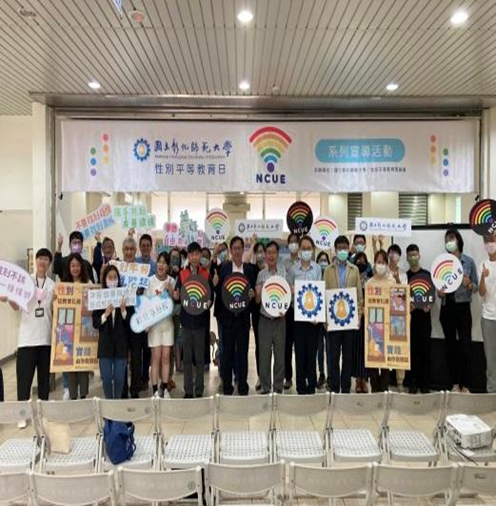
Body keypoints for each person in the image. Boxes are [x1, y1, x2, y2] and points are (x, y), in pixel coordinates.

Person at [1, 248, 54, 428]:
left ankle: (43, 413)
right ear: (35, 261)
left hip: (45, 338)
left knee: (44, 381)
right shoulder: (25, 281)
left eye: (46, 259)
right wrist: (8, 298)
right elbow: (16, 307)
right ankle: (22, 415)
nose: (42, 261)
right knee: (24, 380)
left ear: (49, 263)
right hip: (27, 339)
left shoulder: (53, 285)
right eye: (40, 258)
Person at [439, 228, 478, 393]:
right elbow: (439, 289)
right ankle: (454, 383)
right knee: (450, 347)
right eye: (447, 239)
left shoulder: (468, 262)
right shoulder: (442, 263)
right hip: (448, 307)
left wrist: (468, 284)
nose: (449, 241)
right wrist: (439, 293)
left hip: (463, 308)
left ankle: (466, 384)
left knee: (465, 347)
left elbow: (475, 287)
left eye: (452, 238)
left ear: (458, 241)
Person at [217, 236, 256, 396]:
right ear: (231, 251)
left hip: (243, 319)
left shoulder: (250, 270)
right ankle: (227, 386)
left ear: (243, 250)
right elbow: (219, 292)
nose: (237, 251)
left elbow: (252, 292)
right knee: (226, 353)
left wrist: (252, 294)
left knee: (242, 353)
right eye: (234, 248)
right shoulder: (225, 268)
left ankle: (243, 386)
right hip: (227, 319)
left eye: (240, 248)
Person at [174, 242, 213, 398]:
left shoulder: (206, 273)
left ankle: (199, 389)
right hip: (186, 321)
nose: (195, 257)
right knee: (187, 357)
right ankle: (188, 390)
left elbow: (211, 296)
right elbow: (178, 295)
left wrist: (210, 302)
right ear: (188, 257)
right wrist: (175, 296)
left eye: (197, 254)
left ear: (200, 256)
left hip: (201, 321)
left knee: (199, 358)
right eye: (192, 254)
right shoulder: (182, 274)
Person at [324, 235, 363, 393]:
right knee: (333, 358)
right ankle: (334, 388)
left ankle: (346, 388)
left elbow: (359, 298)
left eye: (344, 248)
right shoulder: (327, 270)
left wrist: (358, 318)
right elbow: (324, 295)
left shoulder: (354, 270)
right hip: (332, 322)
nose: (342, 251)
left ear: (348, 249)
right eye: (339, 248)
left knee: (347, 358)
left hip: (349, 321)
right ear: (335, 249)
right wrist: (325, 319)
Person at [287, 236, 322, 395]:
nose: (306, 251)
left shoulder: (317, 269)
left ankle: (311, 385)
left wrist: (319, 315)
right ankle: (301, 385)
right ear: (299, 250)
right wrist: (292, 290)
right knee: (300, 352)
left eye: (309, 248)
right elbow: (287, 292)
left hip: (314, 319)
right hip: (298, 318)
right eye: (304, 248)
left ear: (312, 250)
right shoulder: (293, 270)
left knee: (311, 352)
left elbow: (319, 292)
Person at [92, 265, 129, 399]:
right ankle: (108, 404)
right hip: (105, 346)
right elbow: (95, 323)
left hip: (121, 345)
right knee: (106, 379)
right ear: (105, 279)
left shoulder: (124, 296)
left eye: (115, 278)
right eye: (110, 277)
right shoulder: (99, 297)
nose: (113, 280)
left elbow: (130, 323)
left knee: (119, 378)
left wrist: (124, 311)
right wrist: (105, 315)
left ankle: (117, 403)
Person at [255, 241, 288, 394]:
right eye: (268, 253)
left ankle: (278, 388)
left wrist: (286, 307)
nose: (271, 255)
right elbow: (256, 301)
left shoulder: (284, 273)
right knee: (264, 356)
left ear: (277, 254)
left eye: (274, 252)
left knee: (280, 356)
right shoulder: (261, 274)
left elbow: (288, 297)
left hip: (280, 320)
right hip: (265, 320)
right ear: (265, 255)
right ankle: (266, 387)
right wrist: (258, 292)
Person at [61, 253, 91, 400]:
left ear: (82, 267)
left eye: (78, 265)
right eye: (72, 265)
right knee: (70, 362)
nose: (75, 268)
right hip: (68, 329)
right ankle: (72, 394)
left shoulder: (88, 283)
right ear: (69, 267)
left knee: (82, 363)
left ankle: (83, 394)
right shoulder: (63, 284)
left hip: (84, 327)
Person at [145, 252, 175, 398]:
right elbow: (144, 304)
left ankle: (165, 388)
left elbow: (175, 302)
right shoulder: (150, 281)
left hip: (167, 324)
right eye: (159, 262)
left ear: (168, 266)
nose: (161, 265)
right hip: (154, 325)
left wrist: (171, 291)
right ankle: (155, 390)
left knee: (166, 357)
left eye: (164, 262)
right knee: (155, 358)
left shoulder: (171, 281)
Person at [120, 237, 147, 399]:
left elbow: (146, 291)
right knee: (123, 355)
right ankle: (123, 389)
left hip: (137, 315)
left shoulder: (141, 270)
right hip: (121, 315)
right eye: (126, 249)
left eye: (131, 249)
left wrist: (139, 291)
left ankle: (135, 388)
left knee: (137, 354)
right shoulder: (116, 268)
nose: (129, 252)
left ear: (135, 251)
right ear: (123, 250)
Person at [367, 250, 395, 392]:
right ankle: (374, 388)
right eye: (378, 262)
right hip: (372, 327)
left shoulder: (392, 281)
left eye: (383, 262)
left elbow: (397, 302)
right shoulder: (369, 282)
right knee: (373, 359)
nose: (381, 265)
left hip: (388, 326)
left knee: (386, 361)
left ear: (387, 264)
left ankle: (384, 388)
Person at [406, 244, 432, 394]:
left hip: (425, 320)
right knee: (413, 352)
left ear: (419, 255)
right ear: (407, 258)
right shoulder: (406, 276)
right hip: (410, 320)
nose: (413, 258)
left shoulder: (427, 274)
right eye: (410, 255)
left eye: (415, 254)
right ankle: (413, 382)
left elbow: (430, 296)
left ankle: (425, 384)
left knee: (425, 351)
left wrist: (426, 303)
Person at [136, 233, 156, 391]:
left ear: (151, 247)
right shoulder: (134, 264)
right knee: (137, 347)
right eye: (142, 245)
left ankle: (144, 376)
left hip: (150, 311)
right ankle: (137, 377)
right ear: (139, 247)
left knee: (147, 347)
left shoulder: (155, 265)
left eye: (147, 246)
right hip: (135, 311)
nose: (145, 248)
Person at [387, 244, 408, 392]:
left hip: (399, 317)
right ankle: (385, 380)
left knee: (399, 348)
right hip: (384, 315)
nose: (394, 255)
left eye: (396, 253)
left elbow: (404, 293)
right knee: (384, 348)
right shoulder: (382, 270)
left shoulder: (404, 274)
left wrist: (397, 279)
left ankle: (400, 382)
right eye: (391, 253)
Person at [352, 251, 372, 393]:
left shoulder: (370, 277)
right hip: (354, 318)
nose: (360, 262)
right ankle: (357, 381)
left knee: (366, 350)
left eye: (363, 260)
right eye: (358, 260)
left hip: (368, 319)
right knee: (356, 350)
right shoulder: (352, 276)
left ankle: (364, 380)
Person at [479, 233, 496, 393]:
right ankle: (492, 393)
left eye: (492, 239)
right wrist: (483, 277)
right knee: (490, 359)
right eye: (486, 241)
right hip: (488, 317)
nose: (489, 243)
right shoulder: (483, 264)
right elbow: (481, 293)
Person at [282, 232, 300, 390]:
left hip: (302, 308)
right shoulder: (284, 263)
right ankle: (288, 377)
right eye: (291, 242)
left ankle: (302, 375)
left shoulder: (306, 262)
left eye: (296, 241)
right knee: (287, 345)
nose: (293, 244)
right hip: (288, 309)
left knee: (300, 345)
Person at [211, 242, 230, 386]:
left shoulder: (234, 266)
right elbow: (212, 283)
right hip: (221, 313)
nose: (223, 252)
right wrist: (214, 254)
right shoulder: (217, 268)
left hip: (235, 312)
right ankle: (224, 377)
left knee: (234, 346)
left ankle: (234, 374)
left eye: (225, 250)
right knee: (223, 345)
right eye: (220, 250)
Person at [251, 241, 266, 390]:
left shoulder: (271, 270)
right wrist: (253, 244)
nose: (261, 254)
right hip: (257, 313)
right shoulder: (253, 270)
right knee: (260, 346)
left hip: (274, 314)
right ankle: (261, 376)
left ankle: (270, 376)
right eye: (258, 252)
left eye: (263, 251)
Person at [168, 247, 182, 388]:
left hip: (176, 314)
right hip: (163, 315)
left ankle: (169, 377)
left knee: (172, 346)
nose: (174, 259)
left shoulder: (182, 274)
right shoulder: (165, 272)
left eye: (177, 257)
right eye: (172, 257)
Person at [316, 251, 330, 388]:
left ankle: (331, 374)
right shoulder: (315, 277)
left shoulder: (331, 276)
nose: (323, 263)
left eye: (325, 260)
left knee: (330, 349)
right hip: (317, 320)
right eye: (320, 260)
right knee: (319, 349)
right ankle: (321, 374)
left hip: (330, 319)